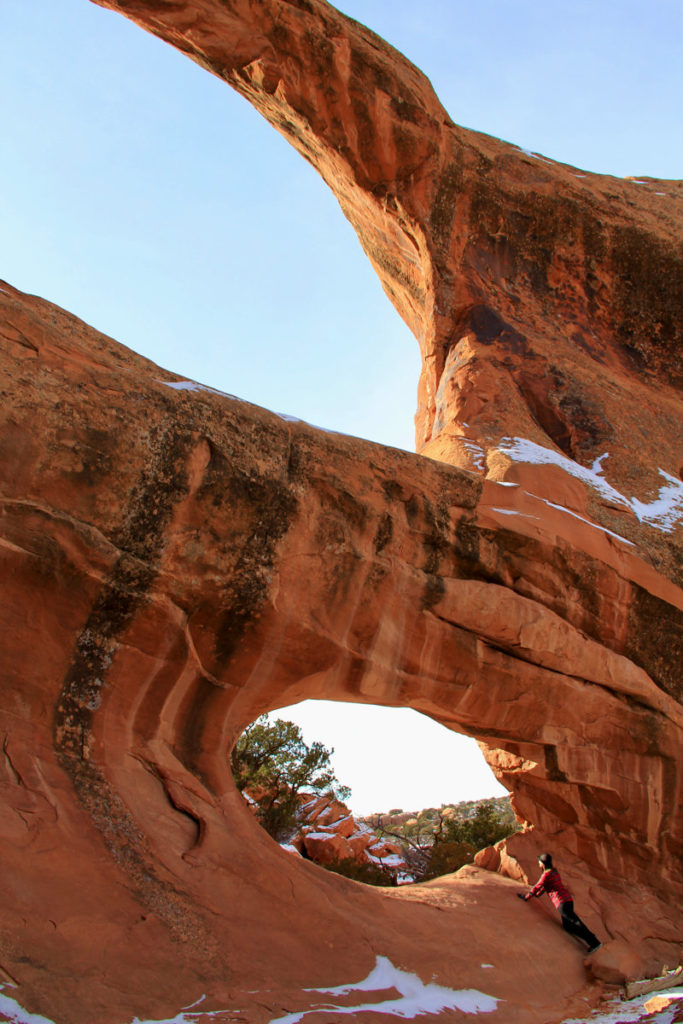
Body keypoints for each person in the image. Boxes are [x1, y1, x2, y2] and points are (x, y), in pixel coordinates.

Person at [517, 853, 601, 953]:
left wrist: (526, 897)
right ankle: (590, 939)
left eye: (539, 861)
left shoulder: (546, 875)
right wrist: (537, 894)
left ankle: (594, 943)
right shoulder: (554, 872)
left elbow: (538, 886)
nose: (538, 862)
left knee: (576, 923)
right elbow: (544, 887)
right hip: (568, 900)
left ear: (543, 863)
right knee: (568, 926)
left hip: (562, 903)